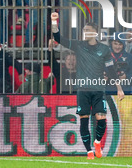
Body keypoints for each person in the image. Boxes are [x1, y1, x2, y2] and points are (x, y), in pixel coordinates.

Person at [51, 12, 124, 159]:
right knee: (84, 120)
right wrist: (54, 21)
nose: (85, 33)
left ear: (95, 33)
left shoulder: (104, 50)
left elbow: (111, 70)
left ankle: (97, 142)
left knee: (101, 119)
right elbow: (59, 38)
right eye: (84, 30)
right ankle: (89, 151)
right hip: (83, 90)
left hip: (98, 90)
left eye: (88, 30)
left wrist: (119, 88)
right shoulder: (79, 45)